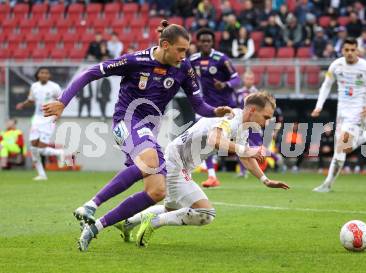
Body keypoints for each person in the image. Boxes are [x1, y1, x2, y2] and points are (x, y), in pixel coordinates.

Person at [42, 21, 233, 252]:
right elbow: (91, 73)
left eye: (186, 50)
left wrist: (215, 111)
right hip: (126, 122)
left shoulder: (184, 69)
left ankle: (95, 228)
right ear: (164, 45)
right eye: (181, 50)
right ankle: (91, 205)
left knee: (157, 191)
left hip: (148, 129)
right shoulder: (135, 61)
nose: (185, 55)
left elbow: (199, 105)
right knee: (150, 159)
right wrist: (63, 101)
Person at [113, 92, 290, 247]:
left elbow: (244, 157)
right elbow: (216, 140)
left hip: (180, 161)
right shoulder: (231, 118)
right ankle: (153, 222)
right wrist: (247, 149)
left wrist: (265, 180)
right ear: (252, 110)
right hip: (177, 161)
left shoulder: (242, 126)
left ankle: (127, 223)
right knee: (206, 214)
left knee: (171, 208)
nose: (267, 123)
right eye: (266, 117)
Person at [311, 37, 366, 193]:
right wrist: (319, 106)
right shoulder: (336, 65)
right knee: (344, 149)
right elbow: (326, 85)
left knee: (340, 146)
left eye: (352, 50)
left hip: (358, 112)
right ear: (342, 50)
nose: (349, 53)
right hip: (341, 113)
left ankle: (327, 185)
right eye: (346, 50)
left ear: (357, 50)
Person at [190, 28, 241, 188]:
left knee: (232, 139)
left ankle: (250, 164)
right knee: (203, 140)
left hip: (226, 108)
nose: (205, 43)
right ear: (198, 42)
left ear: (212, 43)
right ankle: (211, 175)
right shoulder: (193, 59)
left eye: (208, 41)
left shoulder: (221, 59)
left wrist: (225, 84)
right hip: (206, 108)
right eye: (202, 41)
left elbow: (236, 78)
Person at [16, 67, 65, 181]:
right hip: (37, 119)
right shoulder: (34, 86)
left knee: (41, 149)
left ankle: (59, 153)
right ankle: (42, 174)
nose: (44, 75)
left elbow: (62, 101)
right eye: (42, 73)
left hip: (49, 119)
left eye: (46, 73)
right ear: (38, 75)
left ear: (49, 76)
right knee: (33, 148)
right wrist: (22, 105)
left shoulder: (55, 87)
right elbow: (31, 100)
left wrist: (58, 115)